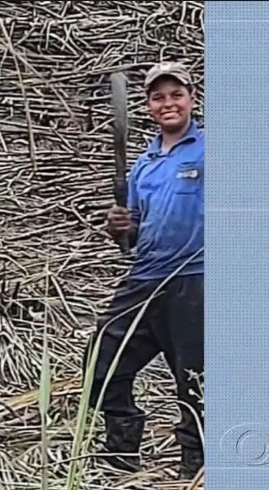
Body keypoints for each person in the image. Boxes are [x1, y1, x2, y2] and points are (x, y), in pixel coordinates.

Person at [83, 61, 204, 481]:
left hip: (196, 278)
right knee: (103, 359)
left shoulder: (212, 149)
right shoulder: (143, 164)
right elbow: (133, 229)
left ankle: (196, 464)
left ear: (191, 99)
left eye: (176, 94)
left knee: (195, 378)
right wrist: (120, 225)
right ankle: (121, 447)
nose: (167, 103)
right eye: (158, 97)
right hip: (146, 276)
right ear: (148, 106)